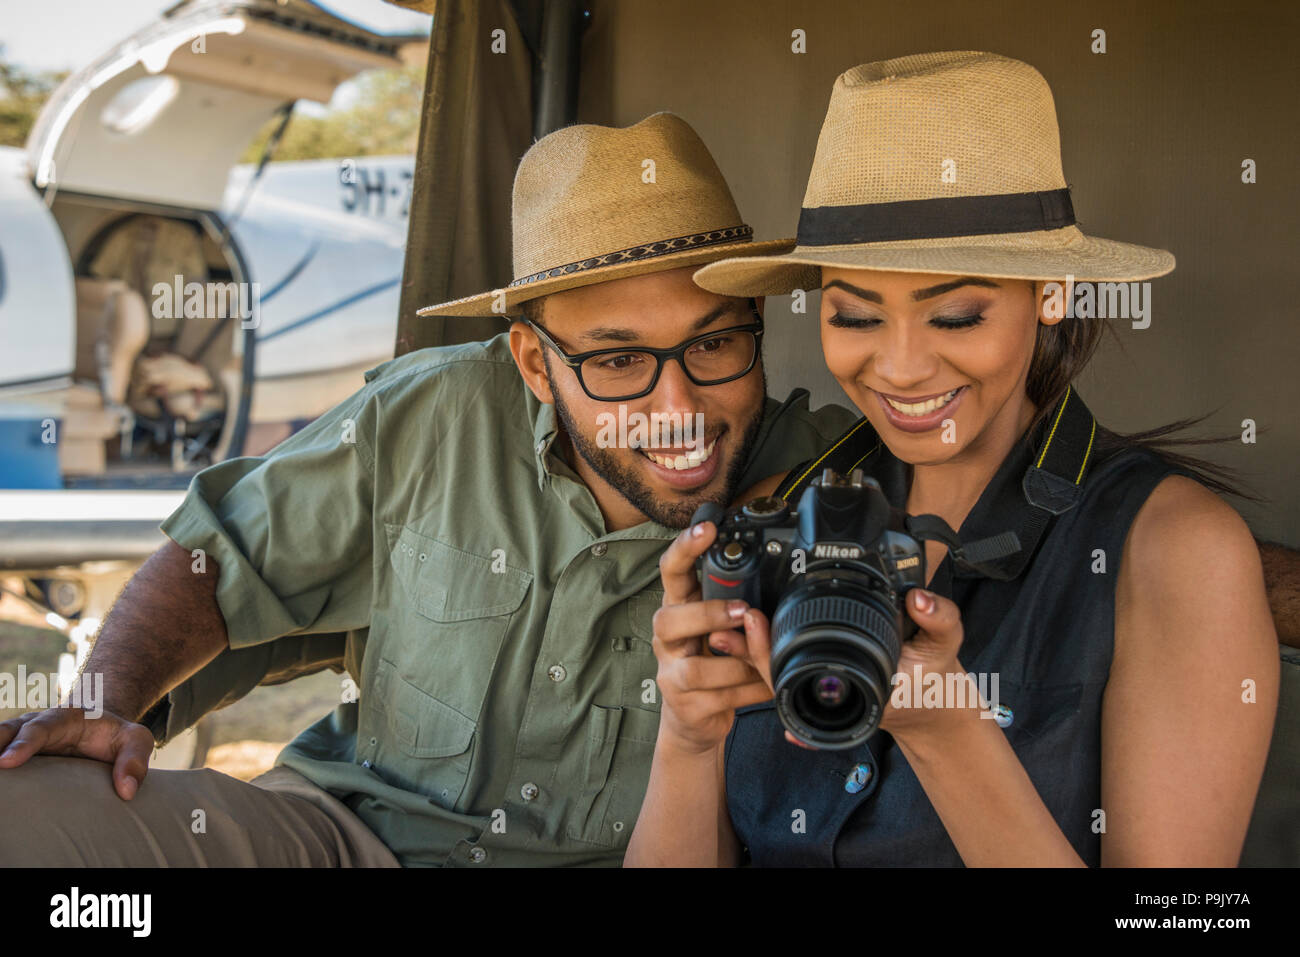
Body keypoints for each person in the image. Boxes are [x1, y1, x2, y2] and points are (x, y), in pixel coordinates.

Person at [0, 113, 859, 867]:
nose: (676, 409)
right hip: (343, 836)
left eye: (713, 346)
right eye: (618, 362)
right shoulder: (432, 412)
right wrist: (101, 701)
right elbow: (216, 557)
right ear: (533, 364)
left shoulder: (832, 490)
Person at [625, 52, 1280, 867]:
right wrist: (686, 738)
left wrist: (947, 733)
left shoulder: (1174, 551)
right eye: (855, 317)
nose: (899, 368)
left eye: (958, 315)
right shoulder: (773, 522)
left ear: (1054, 292)